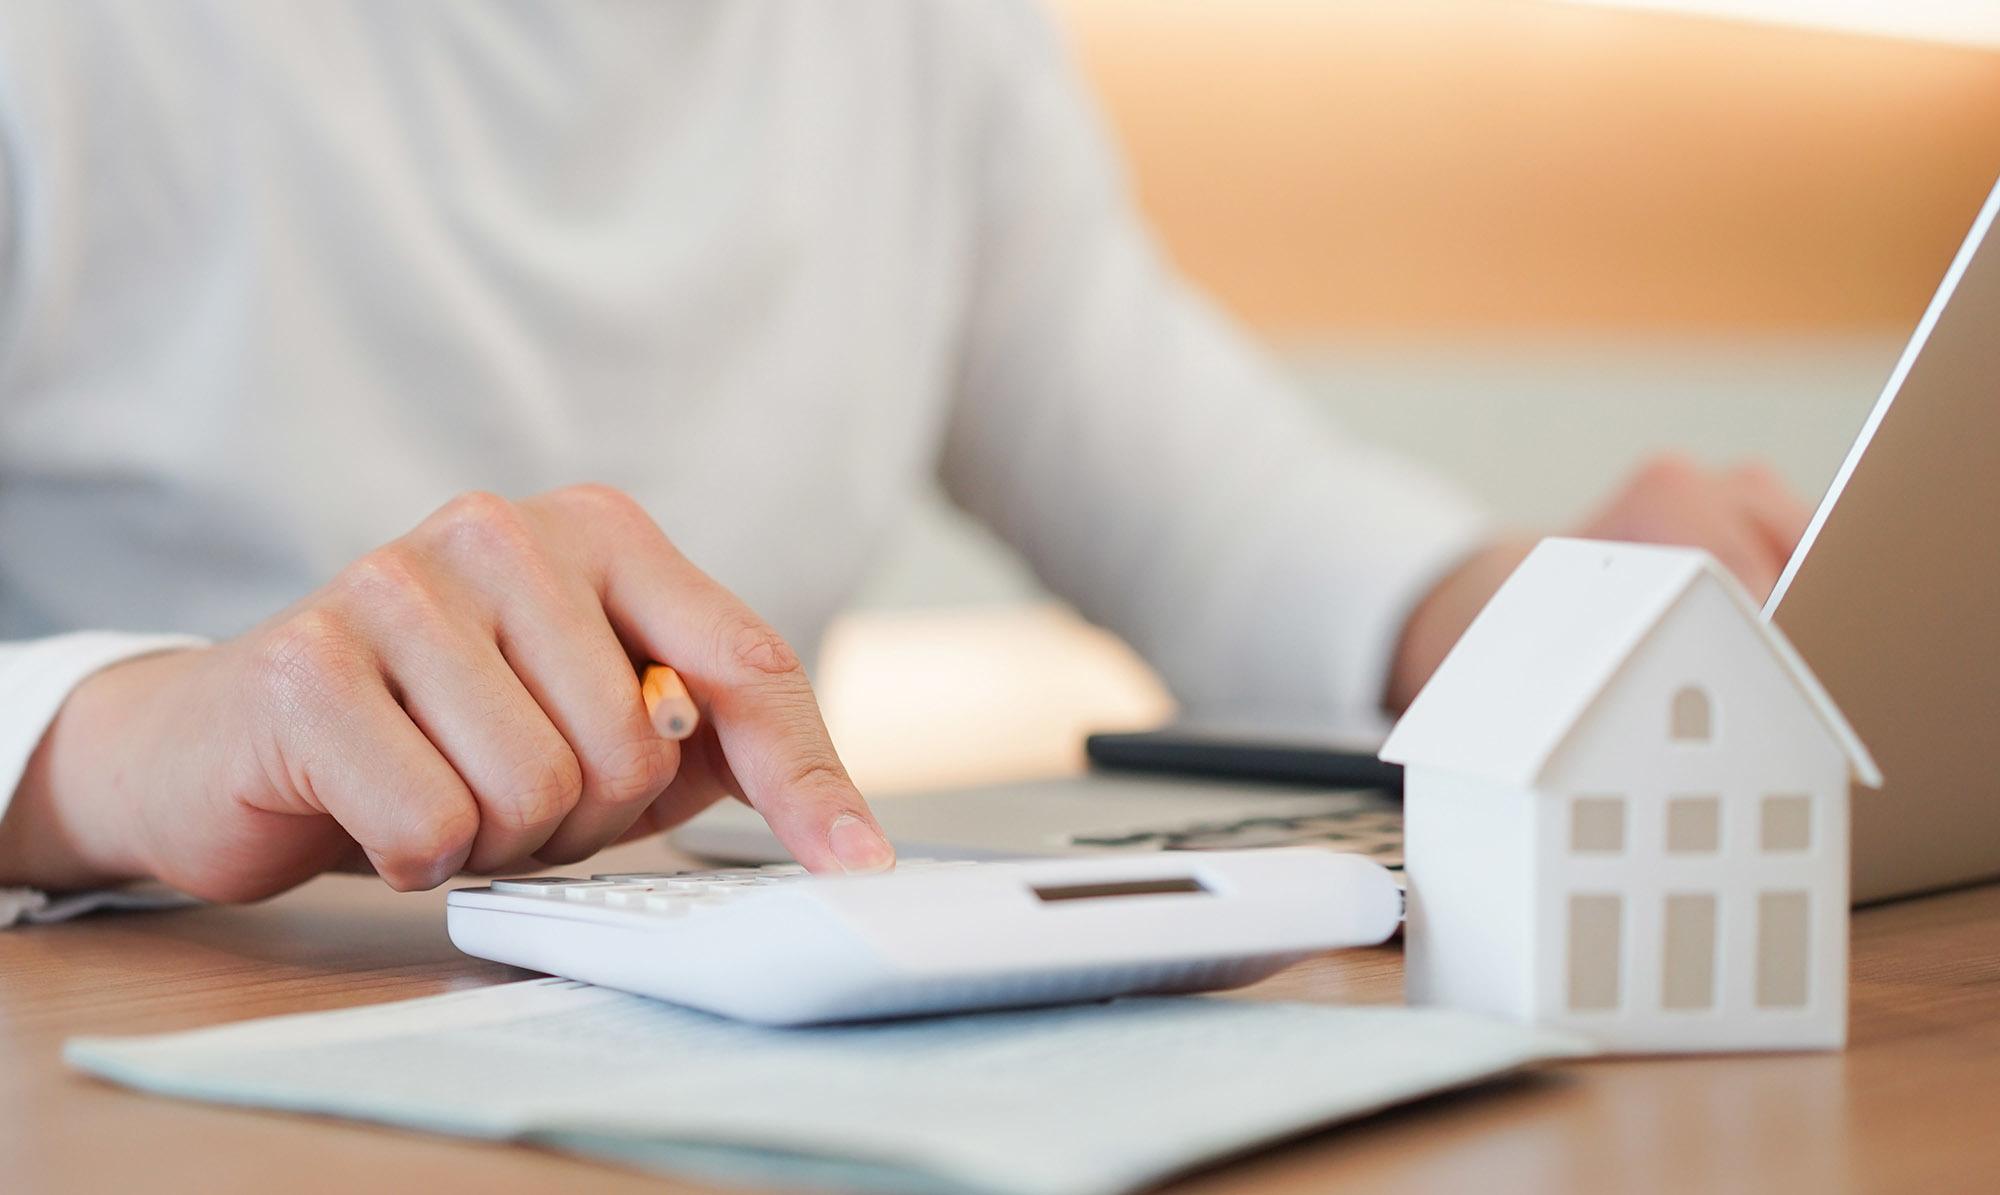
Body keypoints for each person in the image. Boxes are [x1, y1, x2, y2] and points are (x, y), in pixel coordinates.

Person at [0, 1, 1806, 916]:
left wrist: (1542, 618)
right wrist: (120, 737)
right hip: (153, 1058)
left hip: (723, 1053)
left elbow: (1212, 503)